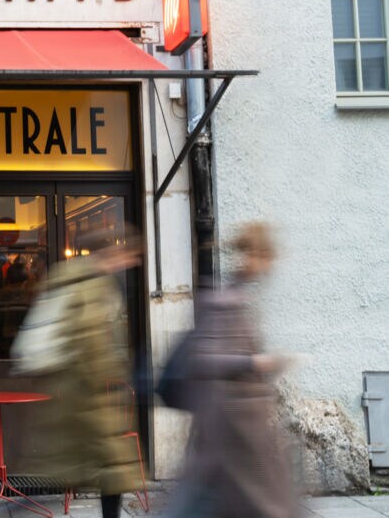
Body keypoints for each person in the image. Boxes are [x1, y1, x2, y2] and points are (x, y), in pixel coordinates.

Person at [169, 222, 299, 518]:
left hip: (239, 433)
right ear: (252, 255)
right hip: (228, 432)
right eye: (264, 257)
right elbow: (204, 359)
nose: (267, 266)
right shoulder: (224, 301)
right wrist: (255, 363)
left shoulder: (238, 298)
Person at [30, 227, 140, 518]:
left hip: (90, 396)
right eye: (129, 255)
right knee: (99, 467)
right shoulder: (87, 283)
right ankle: (10, 508)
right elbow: (89, 340)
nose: (131, 262)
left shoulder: (91, 281)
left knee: (107, 469)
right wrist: (110, 369)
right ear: (112, 251)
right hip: (82, 395)